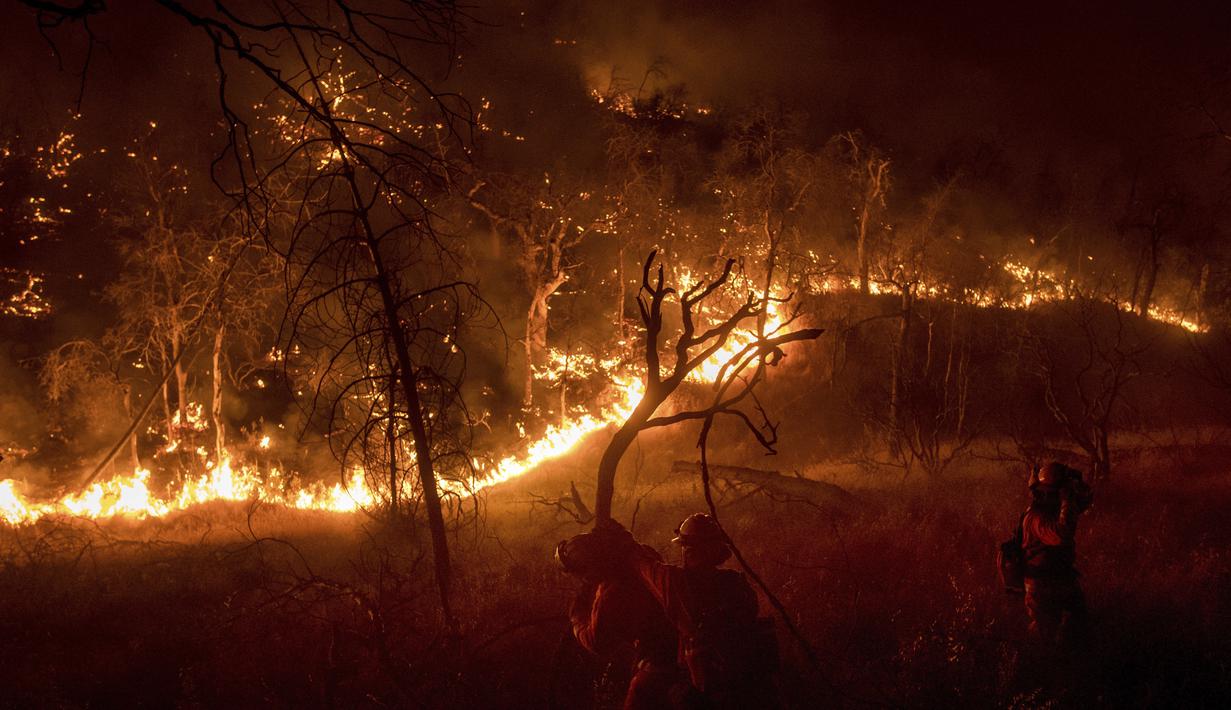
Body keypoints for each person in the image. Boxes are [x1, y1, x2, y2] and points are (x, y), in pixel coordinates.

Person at [625, 513, 779, 709]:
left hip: (703, 690)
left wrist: (624, 540)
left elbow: (642, 565)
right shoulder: (737, 583)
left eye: (685, 546)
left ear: (688, 550)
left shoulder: (676, 582)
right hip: (747, 688)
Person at [557, 526, 681, 709]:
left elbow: (596, 641)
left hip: (658, 661)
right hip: (677, 648)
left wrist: (577, 616)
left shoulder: (611, 593)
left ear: (589, 571)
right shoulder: (640, 556)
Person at [1014, 461, 1093, 645]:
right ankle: (1036, 661)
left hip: (1060, 578)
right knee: (1045, 633)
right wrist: (1066, 499)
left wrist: (1078, 485)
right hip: (1041, 585)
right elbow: (1062, 535)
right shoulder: (1037, 517)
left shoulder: (1050, 507)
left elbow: (1085, 502)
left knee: (1078, 622)